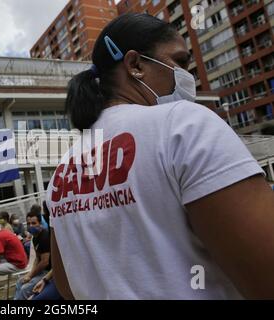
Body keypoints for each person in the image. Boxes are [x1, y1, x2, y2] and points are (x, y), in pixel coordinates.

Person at [47, 13, 274, 299]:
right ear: (136, 65)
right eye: (179, 62)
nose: (187, 75)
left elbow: (67, 287)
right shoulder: (183, 124)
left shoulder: (62, 171)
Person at [14, 211, 50, 300]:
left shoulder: (45, 236)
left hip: (49, 272)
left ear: (40, 223)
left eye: (34, 223)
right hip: (41, 271)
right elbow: (37, 258)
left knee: (24, 289)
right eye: (28, 223)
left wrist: (30, 276)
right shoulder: (35, 238)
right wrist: (30, 274)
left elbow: (45, 262)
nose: (31, 226)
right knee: (19, 282)